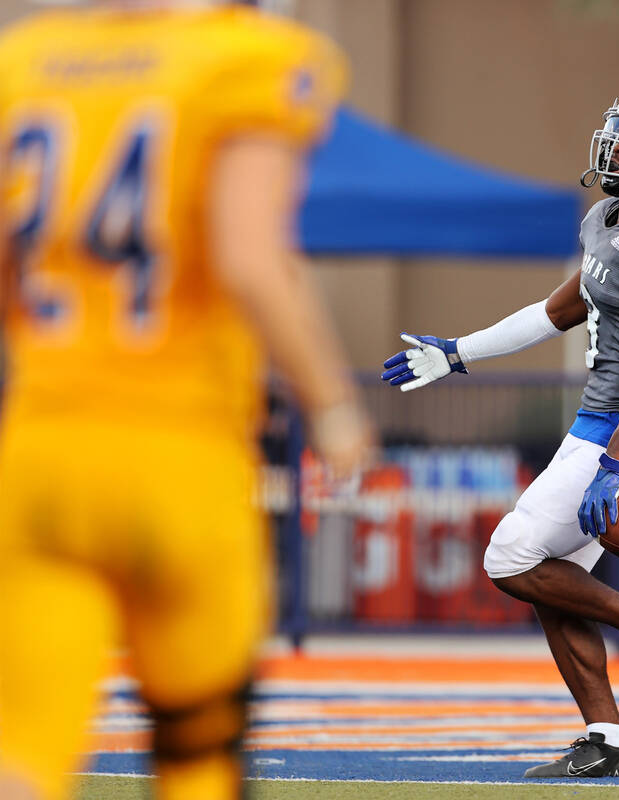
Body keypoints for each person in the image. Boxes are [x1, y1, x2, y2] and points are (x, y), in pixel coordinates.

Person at [0, 2, 375, 799]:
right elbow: (249, 258)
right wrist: (334, 406)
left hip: (41, 445)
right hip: (177, 452)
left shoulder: (24, 61)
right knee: (197, 747)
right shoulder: (244, 59)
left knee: (24, 753)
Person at [382, 83, 619, 778]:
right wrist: (456, 353)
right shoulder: (607, 219)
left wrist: (615, 463)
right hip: (592, 427)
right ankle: (610, 739)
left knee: (510, 558)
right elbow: (557, 310)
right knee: (551, 579)